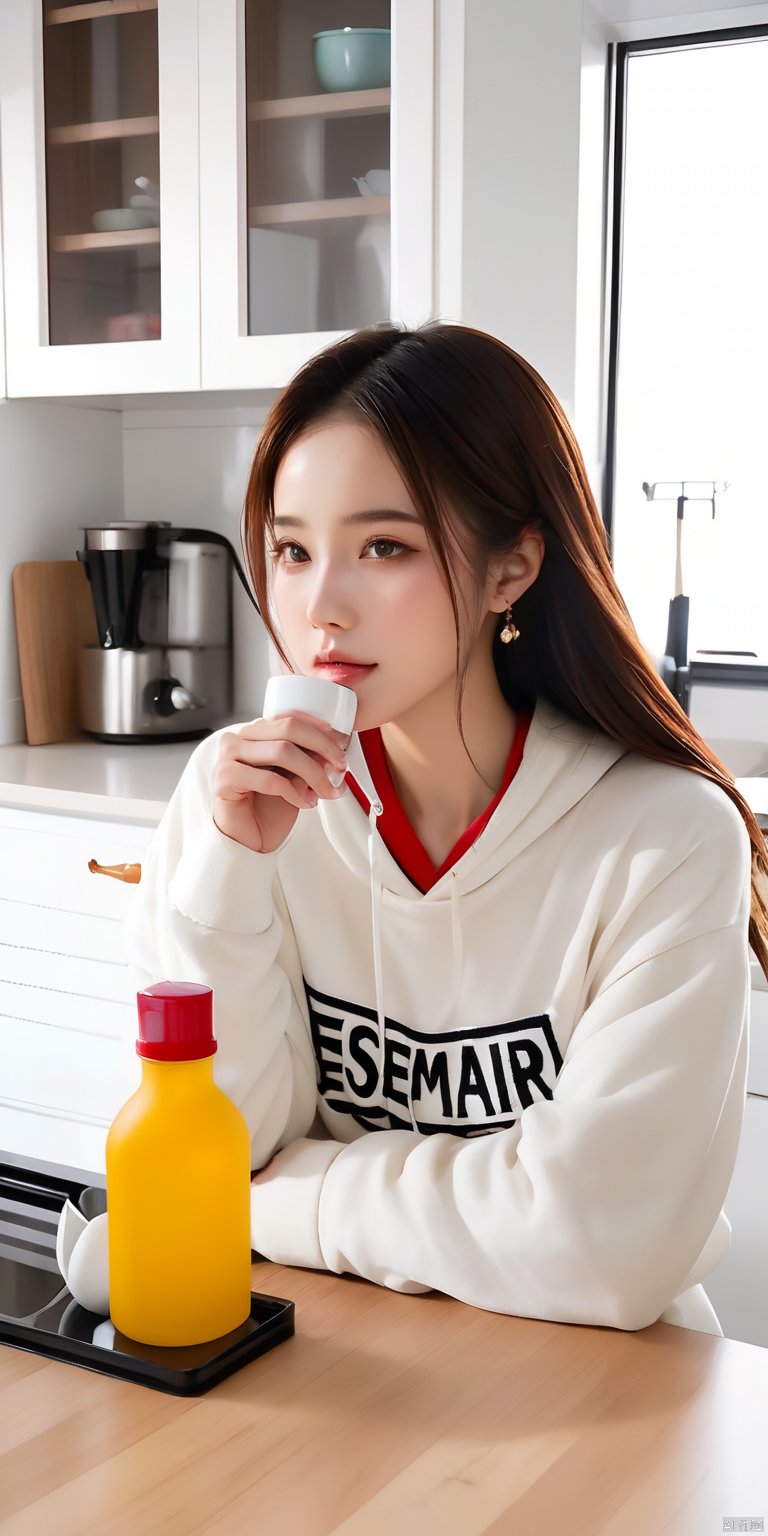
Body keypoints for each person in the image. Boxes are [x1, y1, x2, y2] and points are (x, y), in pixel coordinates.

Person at [124, 321, 768, 1336]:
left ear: (512, 569)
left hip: (602, 1391)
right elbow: (223, 1142)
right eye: (292, 550)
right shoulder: (233, 798)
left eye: (384, 547)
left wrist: (290, 1196)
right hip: (329, 1353)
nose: (320, 606)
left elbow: (599, 1251)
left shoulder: (668, 839)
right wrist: (230, 878)